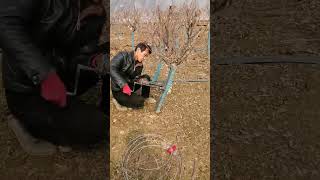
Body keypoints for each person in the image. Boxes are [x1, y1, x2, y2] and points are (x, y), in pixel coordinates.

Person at [0, 0, 109, 155]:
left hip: (61, 82)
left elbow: (78, 57)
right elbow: (5, 22)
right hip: (26, 87)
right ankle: (21, 122)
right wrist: (45, 75)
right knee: (96, 127)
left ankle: (65, 121)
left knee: (112, 52)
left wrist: (95, 61)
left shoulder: (96, 13)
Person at [110, 42, 156, 109]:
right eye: (144, 55)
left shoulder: (140, 65)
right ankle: (116, 100)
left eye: (146, 56)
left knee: (146, 77)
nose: (145, 58)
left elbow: (133, 79)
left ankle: (145, 97)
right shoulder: (123, 55)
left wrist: (139, 80)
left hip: (129, 85)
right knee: (139, 101)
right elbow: (112, 68)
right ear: (138, 50)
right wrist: (124, 85)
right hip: (118, 89)